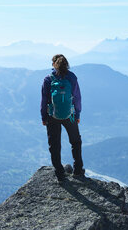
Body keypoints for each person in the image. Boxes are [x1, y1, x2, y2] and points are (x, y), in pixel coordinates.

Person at [41, 54, 84, 182]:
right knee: (75, 141)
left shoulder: (48, 79)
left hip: (52, 116)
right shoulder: (72, 77)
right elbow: (77, 98)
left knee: (54, 144)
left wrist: (44, 117)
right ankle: (78, 170)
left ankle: (60, 173)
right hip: (69, 116)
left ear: (53, 64)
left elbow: (44, 100)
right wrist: (77, 114)